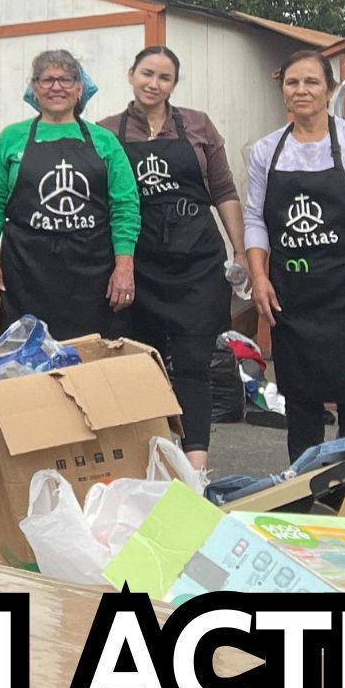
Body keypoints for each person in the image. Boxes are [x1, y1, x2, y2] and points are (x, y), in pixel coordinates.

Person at [245, 49, 345, 462]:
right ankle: (304, 493)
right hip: (294, 296)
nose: (302, 91)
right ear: (283, 90)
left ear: (329, 90)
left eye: (312, 82)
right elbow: (255, 219)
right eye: (293, 82)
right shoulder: (266, 151)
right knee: (301, 402)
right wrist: (259, 277)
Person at [99, 46, 248, 471]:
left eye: (164, 77)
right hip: (138, 263)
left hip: (197, 262)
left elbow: (224, 192)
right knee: (138, 365)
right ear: (131, 74)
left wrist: (241, 253)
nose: (154, 84)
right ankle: (145, 463)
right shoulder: (107, 131)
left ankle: (195, 469)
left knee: (193, 365)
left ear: (174, 85)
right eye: (147, 73)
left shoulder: (198, 125)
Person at [0, 49, 140, 340]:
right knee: (25, 359)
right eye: (47, 80)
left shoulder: (105, 141)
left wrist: (124, 266)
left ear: (80, 88)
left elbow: (125, 207)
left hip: (92, 274)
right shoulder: (11, 138)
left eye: (66, 80)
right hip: (25, 271)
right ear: (34, 88)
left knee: (90, 360)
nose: (57, 87)